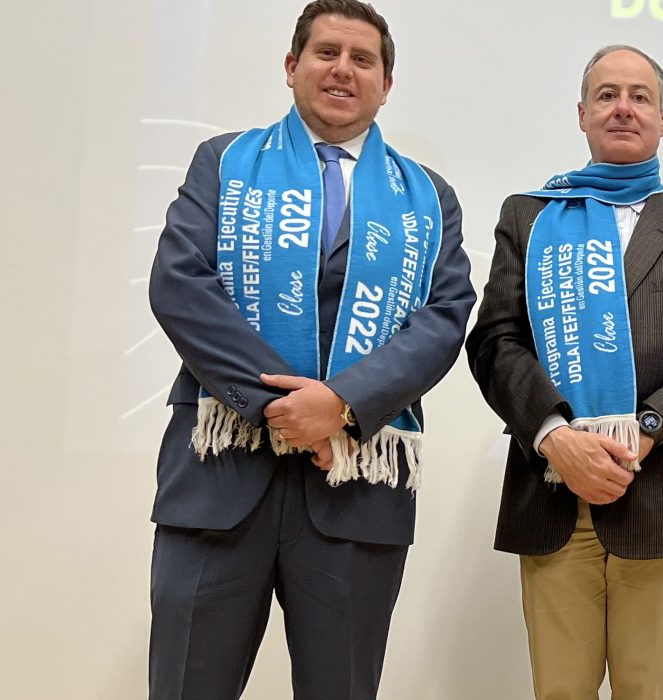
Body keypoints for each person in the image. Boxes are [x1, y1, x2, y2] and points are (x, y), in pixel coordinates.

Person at [145, 1, 475, 697]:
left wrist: (343, 406)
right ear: (292, 66)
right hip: (219, 479)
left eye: (363, 60)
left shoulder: (429, 196)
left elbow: (445, 317)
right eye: (327, 53)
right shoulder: (224, 161)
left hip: (355, 488)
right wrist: (284, 407)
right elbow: (180, 284)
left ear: (386, 84)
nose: (342, 70)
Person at [464, 44, 663, 700]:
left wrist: (648, 430)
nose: (623, 108)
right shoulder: (529, 217)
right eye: (606, 95)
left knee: (647, 689)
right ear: (582, 114)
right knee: (559, 691)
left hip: (659, 491)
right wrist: (555, 437)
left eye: (639, 97)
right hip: (551, 488)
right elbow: (495, 341)